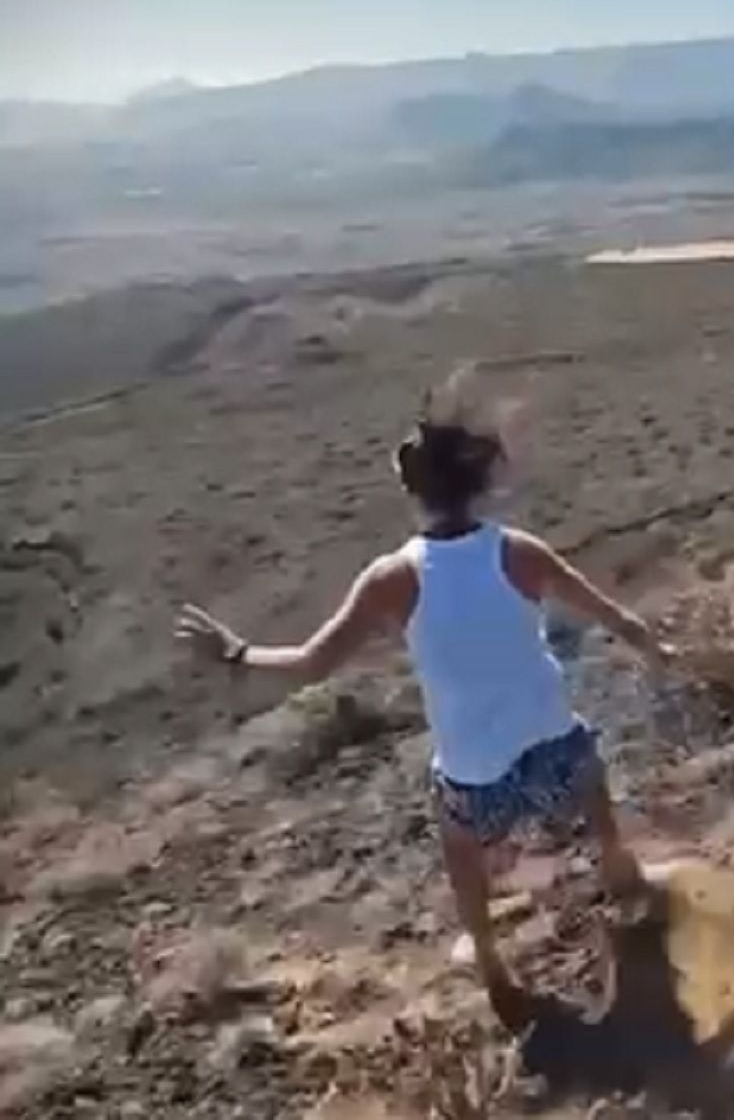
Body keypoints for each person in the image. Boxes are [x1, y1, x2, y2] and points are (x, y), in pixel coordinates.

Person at [175, 384, 672, 1008]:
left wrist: (236, 653)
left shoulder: (393, 579)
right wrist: (659, 651)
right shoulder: (520, 552)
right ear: (475, 483)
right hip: (553, 748)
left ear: (410, 489)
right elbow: (612, 615)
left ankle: (489, 958)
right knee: (585, 765)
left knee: (460, 841)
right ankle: (621, 873)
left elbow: (311, 663)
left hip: (478, 774)